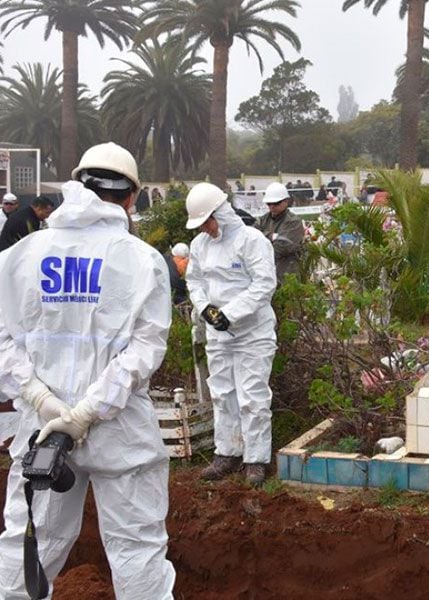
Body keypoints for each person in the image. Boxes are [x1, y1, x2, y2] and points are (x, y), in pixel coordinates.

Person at [0, 141, 176, 597]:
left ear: (78, 185)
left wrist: (44, 401)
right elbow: (142, 353)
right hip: (119, 432)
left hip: (42, 430)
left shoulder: (19, 257)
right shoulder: (141, 261)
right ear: (132, 197)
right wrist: (85, 414)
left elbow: (3, 342)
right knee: (137, 551)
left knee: (27, 548)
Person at [184, 182, 277, 487]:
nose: (205, 229)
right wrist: (206, 309)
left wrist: (231, 313)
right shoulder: (199, 245)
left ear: (220, 213)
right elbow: (194, 281)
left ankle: (256, 459)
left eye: (206, 222)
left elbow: (264, 285)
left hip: (253, 332)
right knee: (222, 393)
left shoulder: (252, 241)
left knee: (252, 395)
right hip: (218, 333)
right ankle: (227, 452)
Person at [257, 182, 305, 283]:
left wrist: (263, 237)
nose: (272, 207)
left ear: (286, 201)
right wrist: (272, 236)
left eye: (276, 203)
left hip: (287, 276)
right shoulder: (263, 219)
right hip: (265, 274)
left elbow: (283, 247)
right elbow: (252, 237)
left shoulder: (293, 222)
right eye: (269, 203)